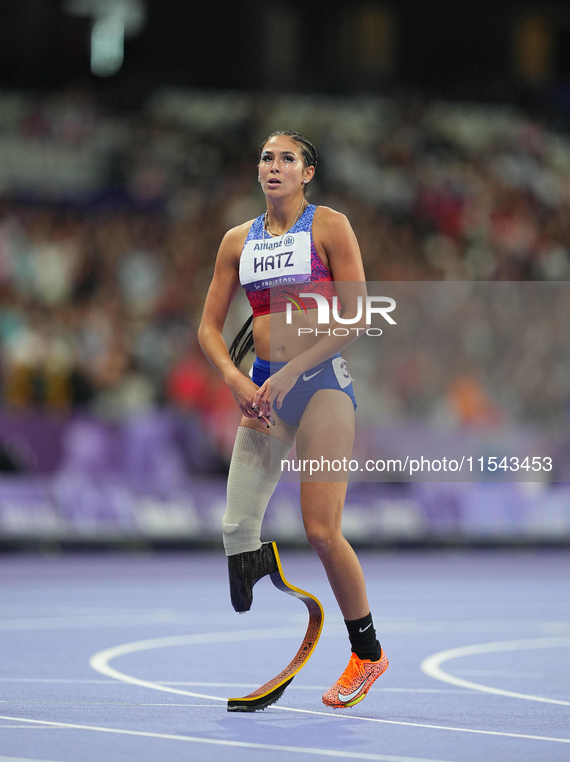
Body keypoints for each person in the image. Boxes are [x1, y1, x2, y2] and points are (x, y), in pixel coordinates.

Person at [198, 130, 388, 708]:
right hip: (262, 391)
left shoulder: (330, 226)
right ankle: (277, 582)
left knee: (322, 531)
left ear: (307, 173)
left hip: (321, 385)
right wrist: (239, 380)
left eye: (287, 158)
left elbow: (356, 317)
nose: (274, 165)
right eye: (265, 157)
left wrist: (288, 373)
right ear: (257, 172)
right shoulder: (238, 240)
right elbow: (208, 328)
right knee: (235, 532)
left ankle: (368, 653)